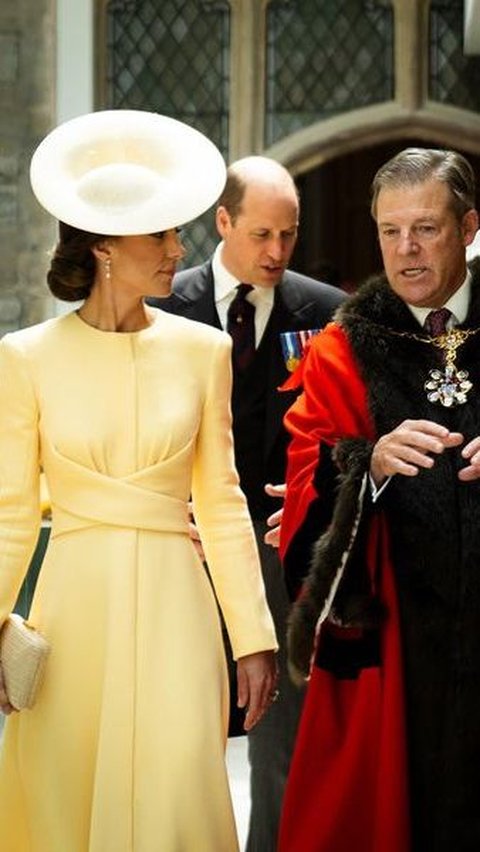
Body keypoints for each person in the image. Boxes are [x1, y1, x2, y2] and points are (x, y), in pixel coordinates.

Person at [0, 109, 278, 852]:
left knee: (179, 784)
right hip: (71, 610)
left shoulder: (204, 351)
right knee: (64, 787)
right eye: (159, 234)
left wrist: (252, 636)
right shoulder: (25, 358)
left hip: (178, 610)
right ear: (104, 249)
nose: (178, 250)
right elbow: (11, 514)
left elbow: (222, 501)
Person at [277, 146, 480, 852]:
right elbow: (304, 487)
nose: (406, 250)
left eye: (425, 228)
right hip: (395, 646)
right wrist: (366, 467)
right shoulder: (340, 351)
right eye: (390, 232)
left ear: (468, 227)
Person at [149, 155, 344, 852]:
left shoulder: (325, 312)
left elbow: (344, 432)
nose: (277, 252)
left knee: (279, 741)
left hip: (278, 556)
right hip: (181, 549)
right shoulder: (161, 305)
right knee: (177, 729)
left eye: (288, 236)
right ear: (222, 221)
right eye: (262, 234)